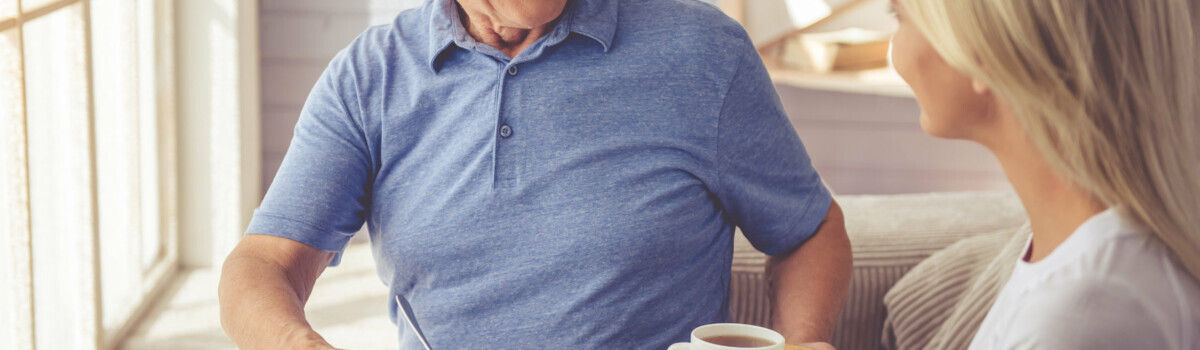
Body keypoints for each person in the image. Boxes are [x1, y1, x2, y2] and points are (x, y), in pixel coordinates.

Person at [218, 0, 852, 349]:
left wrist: (805, 342)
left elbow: (808, 228)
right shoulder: (371, 76)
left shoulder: (703, 52)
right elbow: (262, 265)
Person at [889, 0, 1200, 348]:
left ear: (981, 49)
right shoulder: (1075, 257)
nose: (893, 54)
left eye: (899, 16)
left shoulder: (1086, 314)